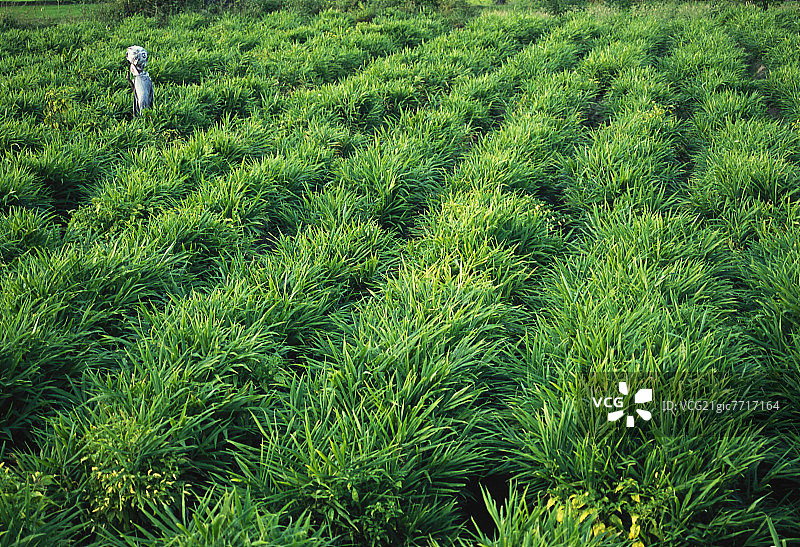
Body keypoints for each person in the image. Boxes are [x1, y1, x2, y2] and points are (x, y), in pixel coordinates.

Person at [126, 45, 153, 117]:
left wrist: (143, 119)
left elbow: (142, 101)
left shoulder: (141, 82)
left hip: (143, 121)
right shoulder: (143, 77)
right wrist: (130, 81)